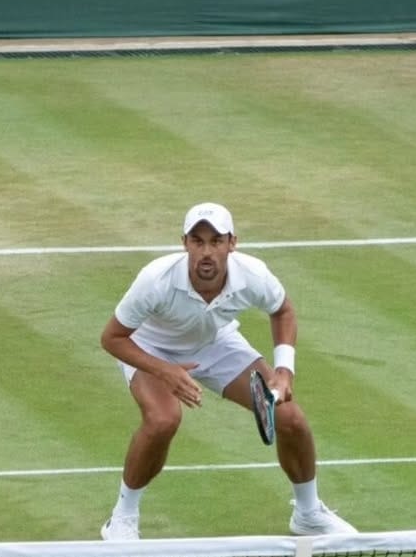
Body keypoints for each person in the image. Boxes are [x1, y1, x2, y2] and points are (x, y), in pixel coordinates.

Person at [98, 202, 355, 540]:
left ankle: (308, 515)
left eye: (216, 241)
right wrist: (165, 371)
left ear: (232, 243)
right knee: (163, 420)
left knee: (290, 417)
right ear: (184, 243)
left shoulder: (252, 274)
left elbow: (283, 311)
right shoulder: (155, 280)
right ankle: (122, 517)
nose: (207, 251)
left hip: (215, 342)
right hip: (151, 348)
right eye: (198, 241)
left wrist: (284, 370)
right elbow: (112, 338)